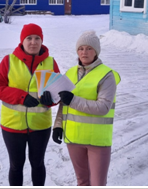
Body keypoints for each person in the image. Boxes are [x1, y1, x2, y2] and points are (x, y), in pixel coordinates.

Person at [0, 23, 60, 186]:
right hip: (12, 125)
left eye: (37, 38)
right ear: (22, 41)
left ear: (42, 41)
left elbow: (58, 91)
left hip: (40, 126)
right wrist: (20, 96)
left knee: (38, 164)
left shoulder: (50, 63)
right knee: (16, 166)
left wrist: (52, 100)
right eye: (29, 38)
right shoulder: (9, 61)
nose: (33, 42)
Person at [52, 30, 120, 186]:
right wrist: (57, 126)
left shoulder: (106, 75)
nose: (84, 52)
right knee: (82, 182)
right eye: (81, 48)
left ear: (96, 51)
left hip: (97, 141)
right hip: (74, 138)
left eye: (89, 48)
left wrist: (74, 100)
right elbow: (64, 103)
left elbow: (103, 107)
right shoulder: (70, 73)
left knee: (97, 184)